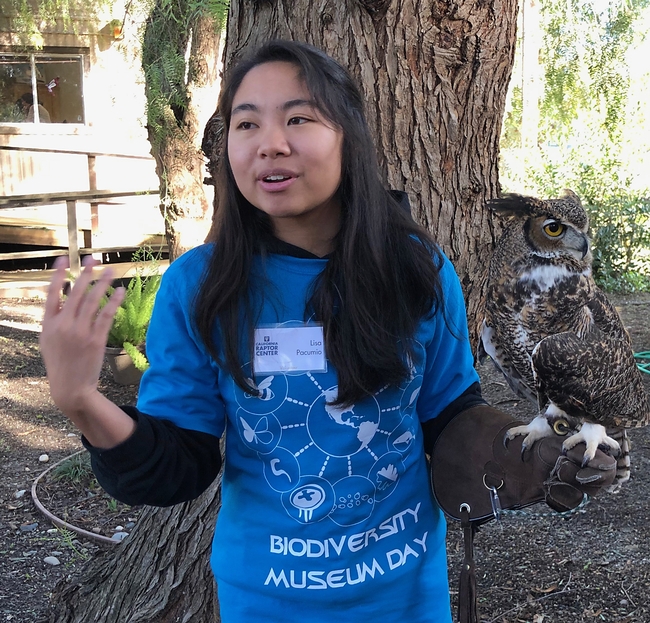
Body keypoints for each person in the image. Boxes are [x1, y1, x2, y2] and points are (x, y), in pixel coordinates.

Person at [39, 40, 616, 623]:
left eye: (298, 118)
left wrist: (521, 451)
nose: (271, 142)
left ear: (348, 137)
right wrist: (82, 403)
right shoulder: (200, 287)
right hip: (265, 599)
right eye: (247, 123)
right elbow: (177, 466)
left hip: (406, 597)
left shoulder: (416, 268)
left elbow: (449, 412)